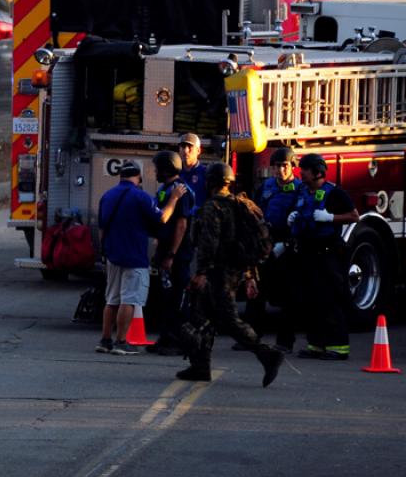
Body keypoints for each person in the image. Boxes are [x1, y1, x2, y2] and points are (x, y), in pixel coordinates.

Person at [176, 162, 285, 386]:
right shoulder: (239, 204)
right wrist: (249, 274)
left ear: (211, 182)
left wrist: (201, 272)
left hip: (218, 272)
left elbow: (209, 243)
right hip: (232, 270)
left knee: (229, 320)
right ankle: (200, 366)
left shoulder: (213, 207)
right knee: (201, 316)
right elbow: (245, 242)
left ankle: (268, 355)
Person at [96, 161, 186, 356]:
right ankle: (121, 341)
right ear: (138, 177)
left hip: (112, 254)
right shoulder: (141, 197)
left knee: (111, 299)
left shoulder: (107, 196)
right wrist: (174, 198)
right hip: (134, 256)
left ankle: (105, 340)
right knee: (129, 299)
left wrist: (105, 253)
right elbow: (162, 217)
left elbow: (101, 229)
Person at [289, 153, 359, 360]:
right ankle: (316, 345)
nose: (301, 173)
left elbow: (354, 215)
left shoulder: (334, 193)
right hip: (307, 252)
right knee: (312, 301)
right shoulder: (302, 190)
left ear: (317, 172)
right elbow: (299, 211)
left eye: (305, 170)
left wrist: (331, 218)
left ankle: (338, 347)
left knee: (330, 300)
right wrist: (292, 217)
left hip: (328, 254)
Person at [245, 147, 304, 351]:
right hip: (266, 239)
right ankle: (251, 337)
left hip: (286, 243)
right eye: (277, 166)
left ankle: (285, 342)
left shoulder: (299, 189)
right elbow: (256, 209)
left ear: (293, 167)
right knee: (257, 289)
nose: (280, 170)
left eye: (285, 166)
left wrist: (287, 243)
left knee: (288, 295)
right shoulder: (266, 186)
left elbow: (302, 217)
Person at [146, 151, 195, 356]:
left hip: (177, 256)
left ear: (167, 169)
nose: (155, 172)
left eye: (157, 168)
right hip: (165, 252)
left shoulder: (180, 191)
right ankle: (165, 338)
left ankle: (178, 341)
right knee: (164, 298)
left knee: (177, 299)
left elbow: (181, 225)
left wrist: (171, 255)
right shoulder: (166, 189)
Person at [177, 132, 209, 213]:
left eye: (190, 146)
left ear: (198, 150)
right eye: (183, 146)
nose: (186, 150)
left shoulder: (206, 173)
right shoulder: (175, 174)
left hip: (199, 222)